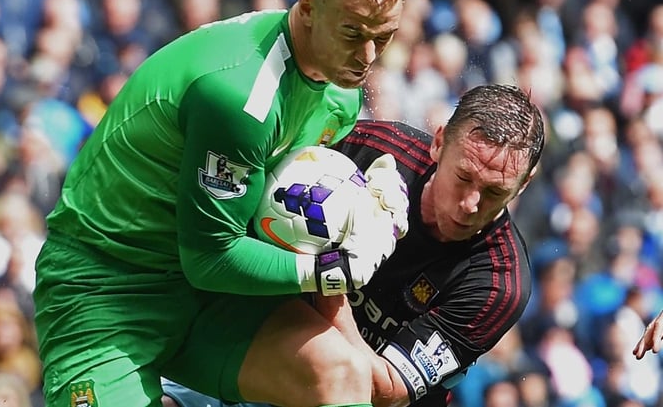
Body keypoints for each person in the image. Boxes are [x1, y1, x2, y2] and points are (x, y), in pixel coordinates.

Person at [33, 0, 418, 407]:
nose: (368, 56)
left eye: (383, 37)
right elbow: (210, 257)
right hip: (107, 290)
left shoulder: (339, 91)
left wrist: (362, 209)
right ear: (308, 8)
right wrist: (331, 269)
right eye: (352, 33)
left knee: (341, 373)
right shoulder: (240, 97)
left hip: (212, 298)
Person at [162, 83, 546, 407]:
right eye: (463, 178)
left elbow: (385, 390)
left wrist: (335, 275)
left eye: (495, 193)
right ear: (439, 143)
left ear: (523, 184)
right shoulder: (370, 150)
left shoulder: (498, 283)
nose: (471, 204)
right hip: (270, 338)